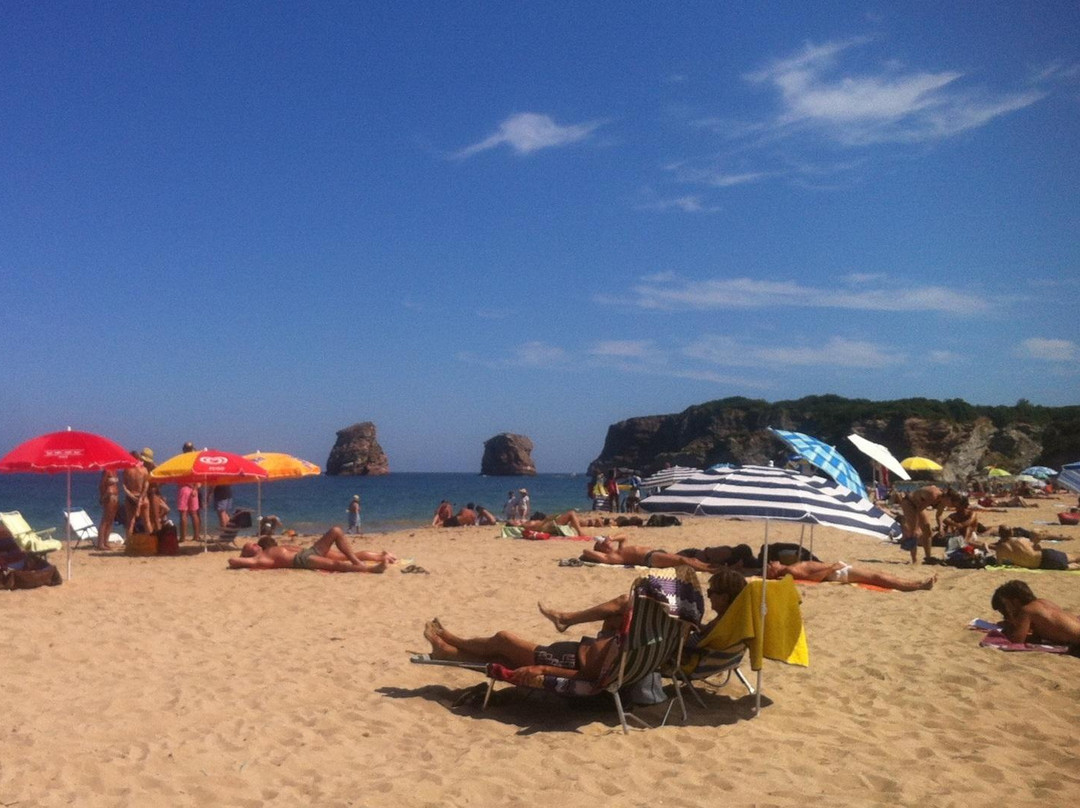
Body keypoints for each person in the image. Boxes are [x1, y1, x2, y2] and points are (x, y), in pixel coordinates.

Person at [423, 569, 749, 684]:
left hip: (575, 661)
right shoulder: (689, 630)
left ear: (727, 596)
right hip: (598, 656)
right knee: (503, 653)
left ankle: (450, 641)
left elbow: (593, 676)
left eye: (714, 592)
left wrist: (544, 670)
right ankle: (447, 651)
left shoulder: (684, 637)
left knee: (502, 640)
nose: (709, 596)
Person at [227, 526, 395, 572]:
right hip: (301, 560)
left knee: (336, 531)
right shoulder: (258, 560)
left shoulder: (269, 549)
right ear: (248, 554)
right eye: (251, 546)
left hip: (308, 551)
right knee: (335, 564)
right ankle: (370, 569)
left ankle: (369, 559)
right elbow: (232, 560)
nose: (255, 544)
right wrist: (245, 559)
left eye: (254, 543)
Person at [991, 580, 1080, 653]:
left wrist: (1008, 628)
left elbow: (1016, 640)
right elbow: (1039, 635)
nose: (1006, 612)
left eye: (1005, 607)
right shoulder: (1043, 602)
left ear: (1015, 601)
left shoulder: (1027, 610)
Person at [766, 559, 936, 591]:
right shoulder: (790, 571)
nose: (771, 562)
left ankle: (916, 584)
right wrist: (832, 567)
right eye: (769, 566)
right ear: (773, 572)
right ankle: (918, 585)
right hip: (839, 573)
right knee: (877, 577)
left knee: (878, 575)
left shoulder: (789, 568)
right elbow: (813, 578)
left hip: (839, 571)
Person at [899, 485, 964, 564]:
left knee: (928, 531)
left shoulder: (943, 501)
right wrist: (916, 526)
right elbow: (918, 510)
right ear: (948, 498)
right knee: (914, 532)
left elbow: (939, 515)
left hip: (919, 506)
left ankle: (928, 558)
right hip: (909, 503)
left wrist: (941, 527)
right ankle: (914, 560)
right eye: (952, 504)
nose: (952, 506)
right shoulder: (933, 495)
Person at [581, 536, 721, 572]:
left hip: (656, 553)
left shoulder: (619, 549)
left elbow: (624, 536)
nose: (607, 543)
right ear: (601, 550)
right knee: (682, 561)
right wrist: (598, 544)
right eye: (603, 544)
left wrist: (611, 538)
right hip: (650, 558)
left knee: (689, 559)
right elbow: (585, 551)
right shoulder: (610, 557)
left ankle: (711, 566)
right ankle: (712, 570)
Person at [978, 533, 1080, 571]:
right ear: (1011, 533)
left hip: (1043, 564)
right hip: (1045, 555)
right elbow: (1037, 544)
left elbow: (999, 564)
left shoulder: (1001, 549)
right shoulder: (1021, 540)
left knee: (1073, 565)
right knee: (1074, 558)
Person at [122, 449, 151, 537]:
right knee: (147, 522)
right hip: (142, 498)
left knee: (130, 522)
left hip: (131, 498)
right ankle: (151, 541)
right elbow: (146, 486)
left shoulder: (127, 470)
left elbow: (124, 486)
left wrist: (131, 496)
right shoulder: (144, 470)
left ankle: (129, 542)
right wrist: (141, 498)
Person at [176, 443, 201, 543]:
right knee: (194, 513)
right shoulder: (195, 460)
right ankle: (196, 536)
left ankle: (183, 537)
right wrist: (195, 488)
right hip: (194, 489)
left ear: (184, 449)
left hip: (184, 487)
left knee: (183, 513)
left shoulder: (181, 460)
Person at [97, 468, 120, 551]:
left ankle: (106, 541)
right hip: (109, 496)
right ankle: (100, 543)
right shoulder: (107, 471)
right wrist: (103, 496)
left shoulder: (115, 471)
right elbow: (101, 485)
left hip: (115, 496)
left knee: (111, 520)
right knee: (105, 520)